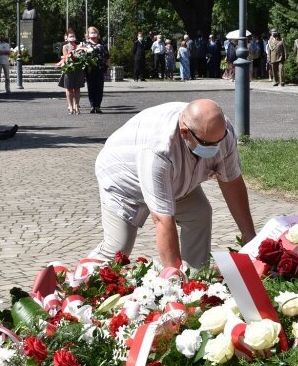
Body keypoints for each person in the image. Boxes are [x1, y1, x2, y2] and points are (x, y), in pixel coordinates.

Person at [88, 99, 256, 268]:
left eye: (219, 141)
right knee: (118, 248)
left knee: (199, 213)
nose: (216, 147)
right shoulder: (158, 148)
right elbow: (162, 220)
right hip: (124, 180)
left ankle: (197, 282)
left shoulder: (220, 130)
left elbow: (232, 183)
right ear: (185, 132)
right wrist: (173, 279)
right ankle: (76, 282)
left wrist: (249, 237)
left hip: (174, 177)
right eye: (207, 144)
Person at [58, 29, 85, 115]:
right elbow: (66, 58)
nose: (72, 38)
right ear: (67, 38)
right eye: (70, 36)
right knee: (69, 89)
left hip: (77, 69)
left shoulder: (79, 46)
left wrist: (81, 49)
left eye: (73, 36)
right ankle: (70, 106)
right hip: (69, 69)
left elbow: (82, 57)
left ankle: (77, 105)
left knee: (77, 88)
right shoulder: (65, 47)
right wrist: (72, 54)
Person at [84, 26, 109, 113]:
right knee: (91, 88)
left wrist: (106, 67)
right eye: (91, 32)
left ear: (98, 34)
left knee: (99, 88)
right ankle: (92, 105)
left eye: (95, 32)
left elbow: (106, 56)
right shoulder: (85, 44)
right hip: (89, 69)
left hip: (100, 68)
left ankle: (98, 106)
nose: (93, 34)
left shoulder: (102, 44)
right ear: (88, 34)